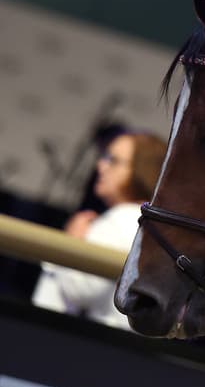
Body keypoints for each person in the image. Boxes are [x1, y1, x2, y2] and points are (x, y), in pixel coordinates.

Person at [31, 130, 166, 329]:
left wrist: (72, 242)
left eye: (113, 160)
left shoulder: (122, 220)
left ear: (141, 170)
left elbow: (78, 289)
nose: (100, 166)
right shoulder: (154, 225)